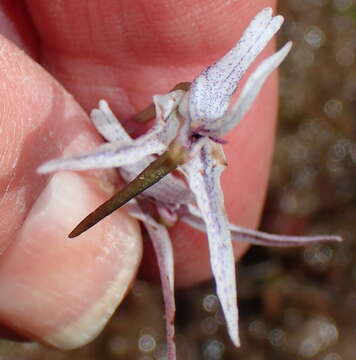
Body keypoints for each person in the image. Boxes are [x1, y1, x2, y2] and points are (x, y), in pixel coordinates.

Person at [0, 0, 278, 349]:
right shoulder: (181, 125)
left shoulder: (189, 143)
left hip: (170, 131)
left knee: (201, 227)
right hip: (166, 127)